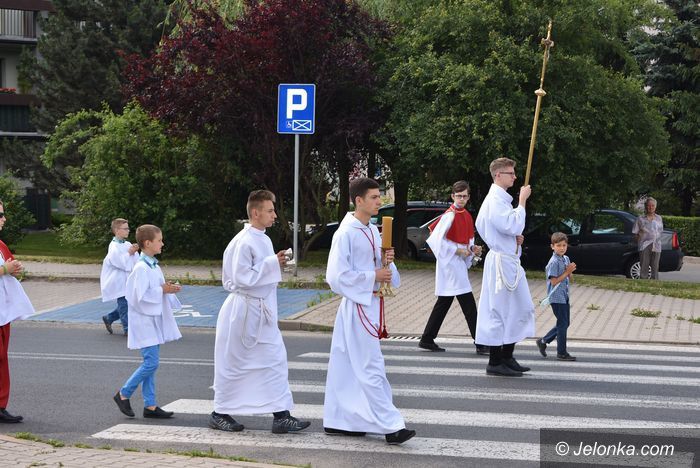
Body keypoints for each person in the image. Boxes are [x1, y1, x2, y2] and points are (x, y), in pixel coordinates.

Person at [323, 177, 415, 445]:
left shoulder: (373, 230)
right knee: (370, 366)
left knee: (347, 366)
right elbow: (336, 276)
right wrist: (373, 275)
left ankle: (341, 420)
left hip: (371, 302)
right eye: (374, 197)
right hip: (358, 305)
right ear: (359, 201)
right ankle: (392, 426)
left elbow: (382, 269)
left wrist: (387, 262)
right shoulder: (345, 233)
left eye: (379, 196)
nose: (379, 201)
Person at [210, 190, 310, 434]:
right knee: (234, 363)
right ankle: (219, 413)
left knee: (275, 361)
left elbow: (261, 271)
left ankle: (281, 415)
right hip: (243, 311)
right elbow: (241, 278)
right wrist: (272, 263)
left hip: (261, 311)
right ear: (255, 213)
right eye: (270, 210)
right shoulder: (243, 241)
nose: (275, 215)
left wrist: (275, 263)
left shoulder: (262, 238)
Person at [113, 224, 182, 419]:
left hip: (153, 320)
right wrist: (162, 290)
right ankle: (123, 394)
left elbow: (157, 289)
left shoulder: (153, 265)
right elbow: (138, 297)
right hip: (144, 322)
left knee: (151, 363)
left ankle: (150, 406)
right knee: (151, 363)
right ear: (147, 243)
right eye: (159, 240)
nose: (162, 243)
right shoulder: (141, 268)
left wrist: (167, 288)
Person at [475, 157, 535, 377]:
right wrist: (522, 201)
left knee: (520, 307)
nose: (515, 177)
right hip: (501, 263)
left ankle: (507, 356)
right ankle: (495, 360)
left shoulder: (500, 199)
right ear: (498, 175)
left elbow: (505, 228)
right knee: (499, 310)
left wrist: (512, 240)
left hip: (508, 260)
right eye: (511, 173)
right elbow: (511, 224)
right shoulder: (494, 200)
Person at [418, 180, 487, 355]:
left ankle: (427, 338)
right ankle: (480, 342)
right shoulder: (449, 215)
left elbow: (467, 242)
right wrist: (458, 250)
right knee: (468, 302)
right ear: (452, 196)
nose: (461, 199)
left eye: (464, 196)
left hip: (455, 264)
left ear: (468, 197)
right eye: (458, 196)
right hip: (450, 264)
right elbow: (435, 240)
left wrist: (473, 249)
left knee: (444, 301)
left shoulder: (466, 215)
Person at [0, 201, 35, 423]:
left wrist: (15, 270)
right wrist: (5, 269)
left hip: (3, 313)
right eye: (0, 215)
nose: (4, 219)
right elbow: (4, 268)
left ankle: (1, 405)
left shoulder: (1, 244)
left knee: (2, 359)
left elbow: (10, 268)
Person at [536, 232, 577, 361]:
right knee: (563, 324)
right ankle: (561, 352)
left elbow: (570, 278)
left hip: (565, 296)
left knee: (564, 323)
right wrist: (567, 272)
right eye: (558, 245)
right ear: (552, 246)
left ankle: (543, 341)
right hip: (556, 297)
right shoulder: (553, 262)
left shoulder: (566, 258)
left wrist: (570, 272)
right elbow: (553, 282)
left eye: (564, 245)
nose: (562, 248)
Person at [100, 218, 139, 335]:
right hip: (118, 281)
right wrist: (130, 253)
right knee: (124, 304)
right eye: (125, 228)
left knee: (129, 303)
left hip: (128, 279)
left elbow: (135, 261)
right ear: (117, 230)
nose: (128, 230)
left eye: (128, 228)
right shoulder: (114, 246)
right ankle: (128, 329)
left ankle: (109, 318)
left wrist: (134, 252)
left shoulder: (127, 244)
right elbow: (119, 262)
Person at [632, 197, 663, 280]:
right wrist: (639, 238)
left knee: (655, 267)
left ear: (655, 207)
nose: (650, 207)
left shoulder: (659, 218)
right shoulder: (640, 219)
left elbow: (660, 232)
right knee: (644, 267)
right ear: (646, 206)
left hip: (656, 245)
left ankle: (654, 284)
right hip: (644, 245)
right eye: (649, 205)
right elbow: (635, 234)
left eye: (652, 205)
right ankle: (643, 284)